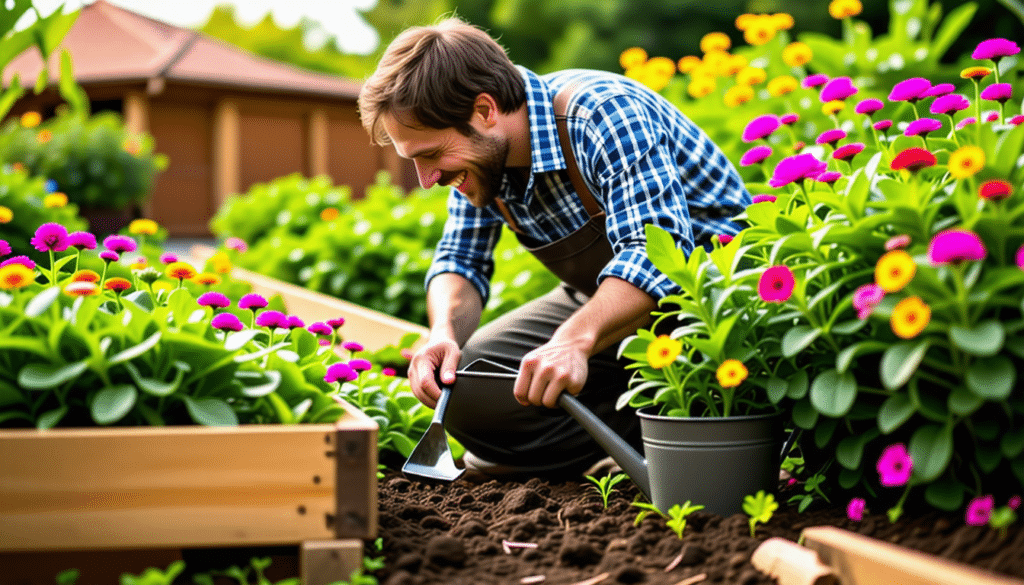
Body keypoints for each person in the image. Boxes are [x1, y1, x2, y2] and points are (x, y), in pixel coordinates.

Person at [357, 17, 750, 478]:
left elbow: (653, 257)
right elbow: (460, 260)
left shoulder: (603, 115)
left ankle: (676, 430)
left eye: (430, 155)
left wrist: (572, 340)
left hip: (713, 303)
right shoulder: (482, 159)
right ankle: (633, 438)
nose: (427, 180)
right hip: (609, 306)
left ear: (484, 111)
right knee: (469, 385)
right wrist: (443, 333)